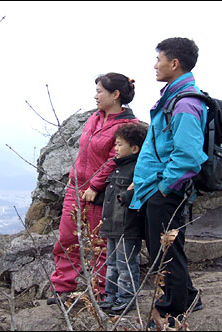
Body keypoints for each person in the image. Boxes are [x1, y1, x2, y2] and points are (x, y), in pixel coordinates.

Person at [129, 37, 207, 325]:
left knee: (166, 252)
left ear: (174, 64)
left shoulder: (185, 103)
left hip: (166, 191)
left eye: (159, 59)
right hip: (158, 188)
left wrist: (163, 188)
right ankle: (188, 296)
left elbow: (188, 155)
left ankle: (173, 310)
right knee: (167, 248)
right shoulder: (174, 98)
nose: (155, 65)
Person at [47, 73, 139, 305]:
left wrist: (95, 186)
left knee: (100, 244)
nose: (95, 95)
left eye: (100, 91)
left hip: (102, 193)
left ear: (115, 95)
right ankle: (62, 289)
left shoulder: (128, 126)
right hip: (75, 188)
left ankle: (100, 292)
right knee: (67, 239)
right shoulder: (93, 119)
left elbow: (115, 159)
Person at [97, 123, 147, 314]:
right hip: (113, 226)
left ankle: (126, 298)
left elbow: (140, 194)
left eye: (119, 145)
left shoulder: (137, 170)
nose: (115, 149)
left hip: (128, 227)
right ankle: (110, 296)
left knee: (125, 264)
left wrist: (127, 196)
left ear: (134, 149)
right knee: (111, 263)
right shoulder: (116, 169)